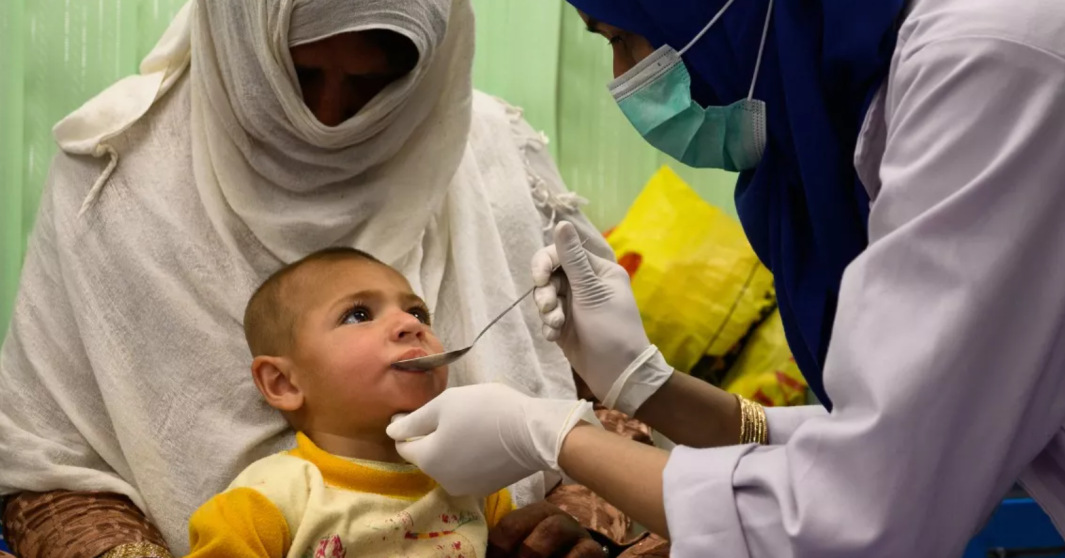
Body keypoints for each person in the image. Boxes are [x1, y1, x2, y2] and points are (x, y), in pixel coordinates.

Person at [388, 0, 1065, 556]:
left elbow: (865, 510)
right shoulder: (889, 97)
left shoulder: (996, 66)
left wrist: (551, 437)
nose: (624, 77)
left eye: (620, 36)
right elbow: (906, 431)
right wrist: (646, 385)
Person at [0, 1, 633, 556]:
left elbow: (608, 413)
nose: (329, 118)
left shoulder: (489, 151)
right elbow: (50, 461)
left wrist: (569, 521)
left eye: (375, 85)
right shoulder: (115, 175)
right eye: (297, 76)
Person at [185, 247, 593, 557]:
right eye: (358, 315)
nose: (410, 325)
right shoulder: (265, 503)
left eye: (419, 313)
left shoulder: (478, 485)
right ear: (283, 382)